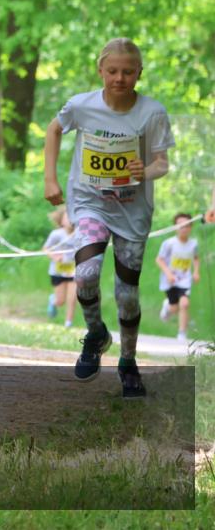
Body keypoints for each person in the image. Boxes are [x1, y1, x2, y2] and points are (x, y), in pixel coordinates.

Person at [44, 38, 174, 399]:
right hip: (89, 202)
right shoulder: (81, 106)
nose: (120, 78)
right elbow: (54, 129)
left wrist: (145, 169)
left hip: (133, 212)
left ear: (139, 73)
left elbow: (162, 163)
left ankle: (128, 362)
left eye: (128, 72)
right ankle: (96, 333)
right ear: (101, 70)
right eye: (113, 71)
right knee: (85, 274)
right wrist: (50, 178)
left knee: (127, 295)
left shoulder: (152, 112)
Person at [156, 213, 200, 342]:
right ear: (175, 227)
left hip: (184, 281)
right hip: (170, 281)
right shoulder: (168, 243)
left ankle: (182, 333)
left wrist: (196, 272)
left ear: (191, 227)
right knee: (174, 307)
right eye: (180, 225)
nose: (183, 228)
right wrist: (168, 273)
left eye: (187, 225)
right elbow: (159, 260)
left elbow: (196, 258)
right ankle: (167, 307)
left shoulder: (193, 244)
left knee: (185, 304)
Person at [43, 207, 79, 327]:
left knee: (72, 297)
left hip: (73, 270)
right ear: (61, 220)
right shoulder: (56, 234)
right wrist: (54, 257)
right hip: (58, 270)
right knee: (60, 301)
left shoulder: (80, 233)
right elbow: (45, 249)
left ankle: (68, 323)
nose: (70, 220)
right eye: (67, 217)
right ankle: (53, 301)